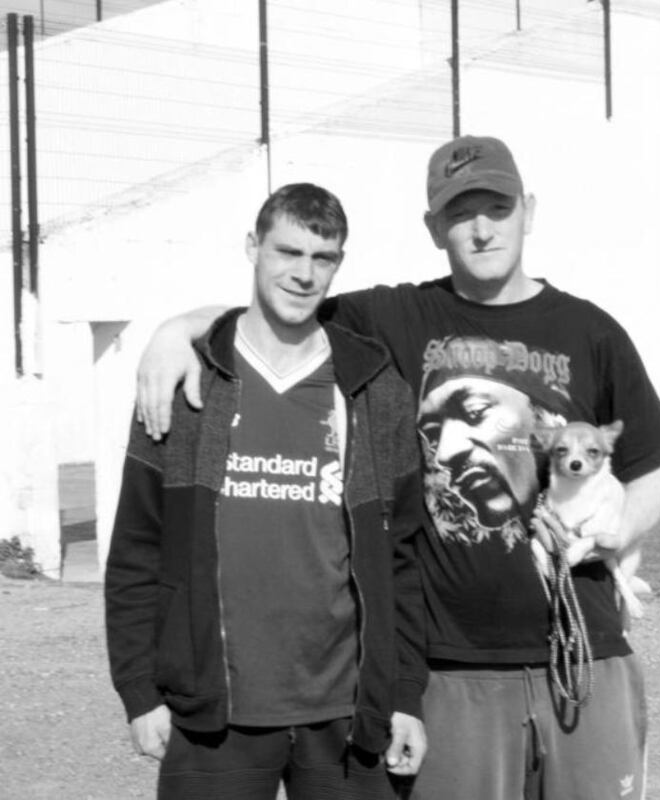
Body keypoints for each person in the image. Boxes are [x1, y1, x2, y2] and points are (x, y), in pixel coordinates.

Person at [135, 137, 660, 800]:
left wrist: (615, 535)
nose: (482, 229)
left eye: (498, 207)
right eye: (461, 213)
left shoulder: (591, 331)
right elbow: (280, 311)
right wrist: (176, 329)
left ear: (528, 211)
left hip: (582, 652)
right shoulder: (394, 316)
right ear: (434, 228)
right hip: (451, 671)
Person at [105, 183, 428, 800]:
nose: (304, 275)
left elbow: (404, 560)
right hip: (214, 712)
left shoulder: (375, 388)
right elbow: (136, 553)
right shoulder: (187, 384)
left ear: (338, 264)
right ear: (253, 247)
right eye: (288, 252)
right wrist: (140, 691)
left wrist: (405, 696)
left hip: (345, 713)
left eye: (322, 258)